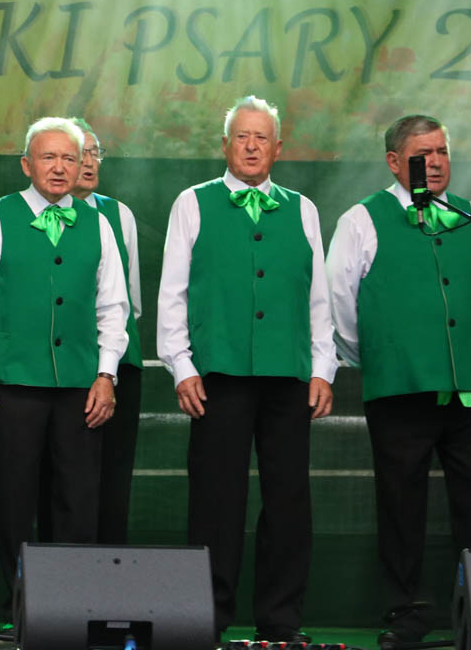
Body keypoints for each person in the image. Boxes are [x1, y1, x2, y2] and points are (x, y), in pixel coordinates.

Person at [156, 96, 335, 643]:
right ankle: (207, 618)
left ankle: (281, 621)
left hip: (288, 376)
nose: (252, 147)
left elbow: (319, 298)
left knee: (288, 501)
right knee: (216, 499)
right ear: (225, 145)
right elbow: (172, 293)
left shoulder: (303, 209)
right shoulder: (193, 202)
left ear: (278, 148)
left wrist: (323, 368)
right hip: (219, 375)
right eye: (242, 136)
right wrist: (182, 366)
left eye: (262, 138)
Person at [325, 115, 471, 648]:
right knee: (402, 505)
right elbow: (340, 303)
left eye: (442, 151)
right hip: (399, 389)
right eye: (424, 154)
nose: (437, 162)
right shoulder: (362, 219)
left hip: (468, 387)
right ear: (394, 162)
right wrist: (380, 356)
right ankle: (406, 612)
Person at [0, 117, 128, 605]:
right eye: (48, 157)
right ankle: (23, 606)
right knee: (15, 500)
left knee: (78, 498)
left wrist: (106, 374)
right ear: (26, 164)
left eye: (70, 158)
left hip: (80, 384)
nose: (59, 167)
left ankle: (72, 607)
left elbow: (113, 307)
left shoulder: (98, 222)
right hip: (13, 382)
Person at [38, 118, 144, 545]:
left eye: (93, 152)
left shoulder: (119, 215)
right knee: (57, 480)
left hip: (115, 366)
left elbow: (129, 299)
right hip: (56, 369)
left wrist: (108, 360)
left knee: (111, 476)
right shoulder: (21, 216)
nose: (87, 161)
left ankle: (109, 573)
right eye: (77, 153)